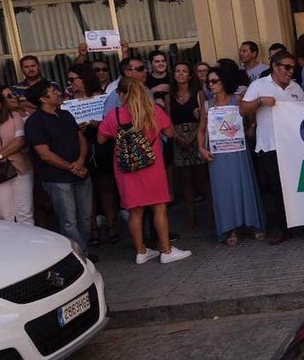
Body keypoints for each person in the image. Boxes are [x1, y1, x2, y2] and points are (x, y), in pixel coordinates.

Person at [99, 78, 191, 264]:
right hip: (152, 165)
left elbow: (101, 139)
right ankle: (166, 250)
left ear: (122, 95)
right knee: (159, 208)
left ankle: (141, 252)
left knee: (135, 211)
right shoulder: (152, 111)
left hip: (126, 168)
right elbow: (171, 133)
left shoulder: (114, 115)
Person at [241, 50, 304, 245]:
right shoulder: (259, 86)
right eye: (286, 67)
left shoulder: (296, 87)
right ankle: (281, 228)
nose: (290, 71)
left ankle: (303, 226)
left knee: (298, 187)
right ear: (275, 67)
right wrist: (260, 101)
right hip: (270, 145)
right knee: (277, 189)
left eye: (292, 68)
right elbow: (243, 110)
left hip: (294, 146)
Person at [199, 66, 265, 245]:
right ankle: (231, 229)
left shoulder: (238, 99)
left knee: (245, 185)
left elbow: (252, 117)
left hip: (238, 149)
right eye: (208, 82)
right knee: (224, 190)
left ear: (224, 81)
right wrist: (201, 149)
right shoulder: (207, 105)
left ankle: (254, 224)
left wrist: (250, 128)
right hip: (218, 154)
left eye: (214, 81)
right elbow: (201, 129)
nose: (210, 85)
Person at [25, 81, 92, 257]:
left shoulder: (66, 115)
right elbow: (44, 154)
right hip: (57, 178)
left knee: (85, 216)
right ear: (43, 98)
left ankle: (84, 249)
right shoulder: (34, 122)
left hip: (80, 173)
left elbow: (81, 139)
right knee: (68, 220)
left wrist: (81, 161)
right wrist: (72, 167)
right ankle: (80, 255)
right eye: (53, 91)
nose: (59, 93)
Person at [66, 64, 119, 245]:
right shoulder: (68, 101)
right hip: (82, 147)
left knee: (106, 186)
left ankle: (112, 226)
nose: (71, 83)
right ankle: (94, 228)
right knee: (90, 190)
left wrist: (99, 124)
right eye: (69, 80)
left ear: (83, 78)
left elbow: (112, 120)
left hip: (101, 144)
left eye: (73, 79)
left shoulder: (100, 97)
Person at [169, 61, 210, 231]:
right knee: (185, 179)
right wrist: (177, 137)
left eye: (184, 71)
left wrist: (195, 136)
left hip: (197, 135)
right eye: (177, 71)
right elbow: (168, 118)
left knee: (202, 177)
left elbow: (204, 116)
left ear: (190, 75)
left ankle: (212, 212)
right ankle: (191, 214)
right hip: (178, 138)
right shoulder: (169, 95)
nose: (180, 74)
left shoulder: (199, 94)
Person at [0, 86, 34, 225]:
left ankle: (30, 246)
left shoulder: (14, 116)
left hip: (21, 169)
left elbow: (19, 141)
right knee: (4, 217)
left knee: (25, 214)